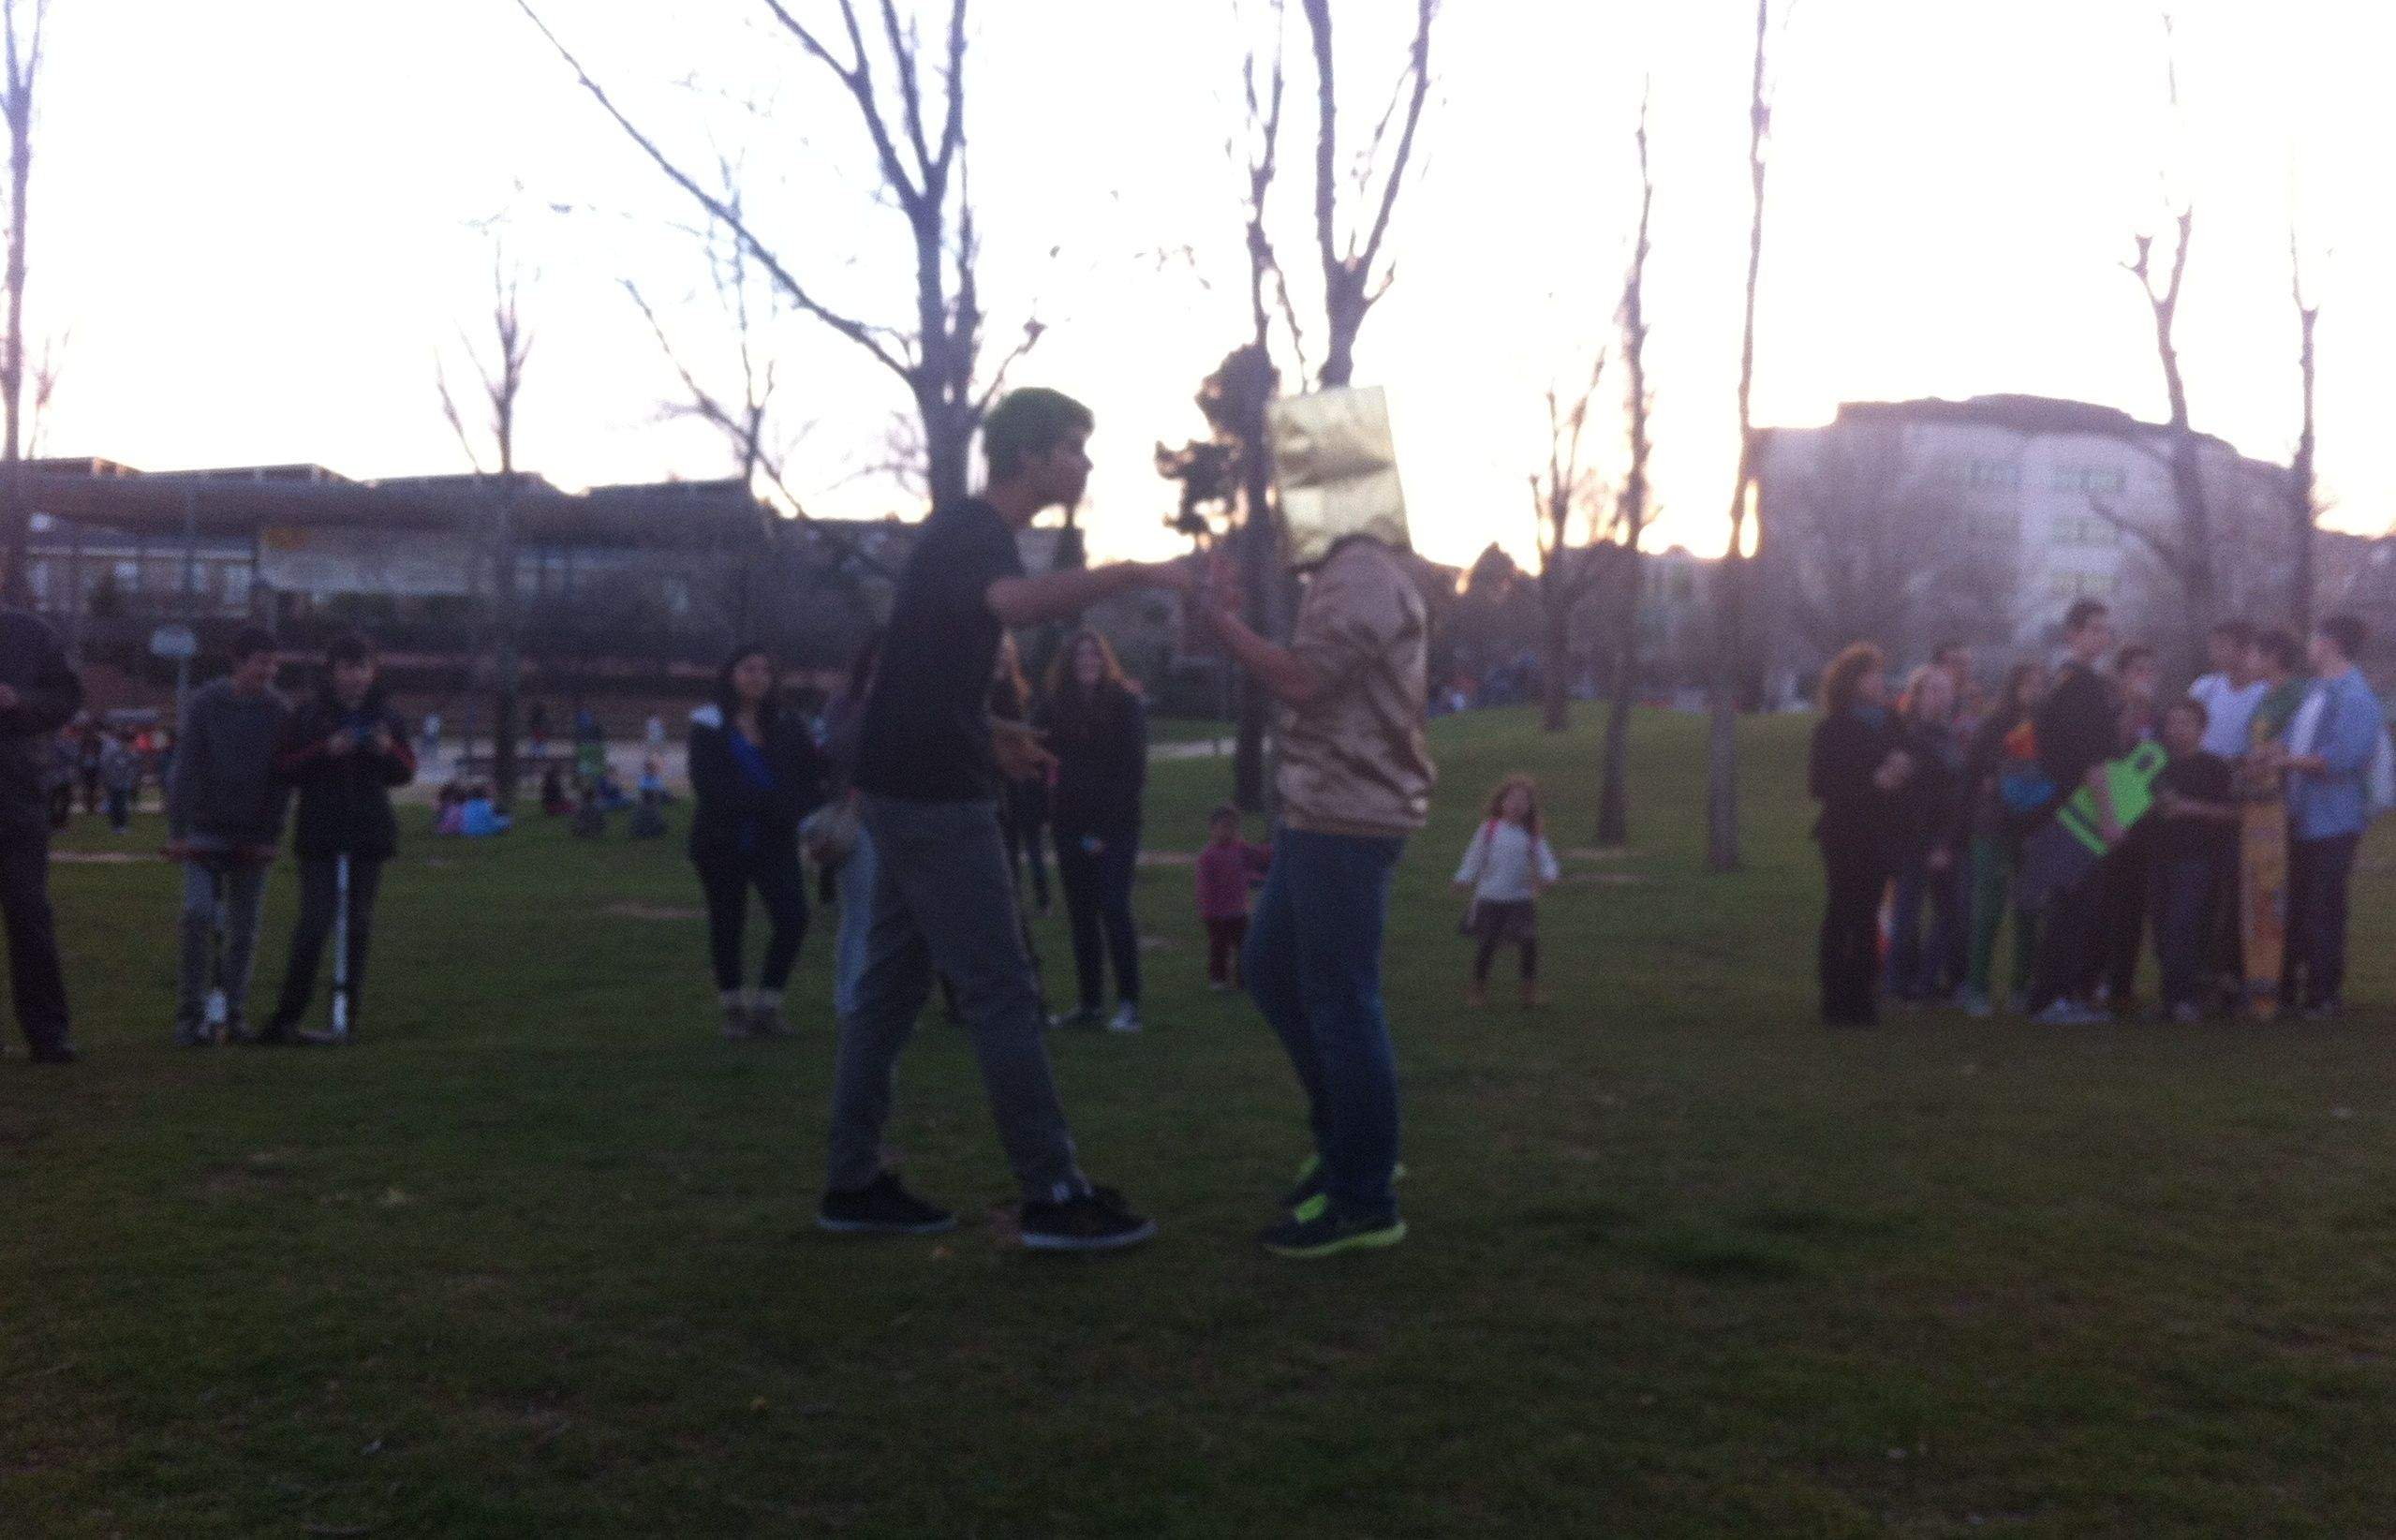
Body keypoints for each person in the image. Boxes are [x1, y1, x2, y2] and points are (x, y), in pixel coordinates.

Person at [821, 386, 1190, 1251]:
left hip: (912, 782)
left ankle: (851, 1183)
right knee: (1001, 989)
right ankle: (1054, 1194)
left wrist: (991, 734)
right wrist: (1138, 572)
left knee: (888, 995)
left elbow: (921, 676)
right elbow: (1015, 609)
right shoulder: (973, 533)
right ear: (1030, 456)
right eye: (1073, 446)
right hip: (935, 798)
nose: (1085, 463)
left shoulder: (961, 535)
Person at [1198, 487, 1435, 1260]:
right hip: (1318, 810)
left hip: (1350, 815)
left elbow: (1303, 679)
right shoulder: (1342, 572)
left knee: (1339, 998)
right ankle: (1349, 1147)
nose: (1283, 510)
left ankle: (1365, 1194)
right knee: (1270, 970)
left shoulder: (1364, 569)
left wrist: (1223, 628)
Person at [261, 634, 416, 1045]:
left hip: (368, 829)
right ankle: (288, 1016)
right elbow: (283, 767)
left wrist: (385, 751)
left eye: (363, 668)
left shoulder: (387, 716)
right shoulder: (308, 716)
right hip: (321, 829)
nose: (356, 677)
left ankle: (345, 1012)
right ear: (332, 672)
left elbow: (405, 770)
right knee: (314, 922)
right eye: (348, 668)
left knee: (359, 924)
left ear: (373, 672)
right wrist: (324, 751)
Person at [688, 646, 826, 1040]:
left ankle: (768, 1004)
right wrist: (772, 803)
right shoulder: (709, 724)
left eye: (766, 669)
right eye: (749, 668)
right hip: (721, 839)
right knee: (727, 921)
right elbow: (709, 784)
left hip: (773, 840)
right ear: (731, 674)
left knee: (793, 917)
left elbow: (807, 776)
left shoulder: (787, 723)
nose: (758, 676)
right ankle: (733, 1009)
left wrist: (798, 805)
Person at [166, 628, 291, 1047]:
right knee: (198, 915)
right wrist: (179, 831)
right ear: (238, 662)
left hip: (253, 832)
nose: (269, 671)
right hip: (205, 828)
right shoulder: (206, 704)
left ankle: (232, 1014)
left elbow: (280, 779)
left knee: (243, 927)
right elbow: (188, 767)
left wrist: (271, 833)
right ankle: (191, 1016)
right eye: (261, 661)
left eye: (275, 663)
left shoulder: (278, 711)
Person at [1038, 628, 1150, 1033]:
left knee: (1114, 907)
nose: (1088, 660)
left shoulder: (1124, 705)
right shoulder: (1055, 708)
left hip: (1116, 825)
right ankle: (1089, 1004)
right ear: (1070, 662)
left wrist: (1104, 829)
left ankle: (1129, 1004)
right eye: (1081, 654)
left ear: (1105, 661)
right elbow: (1035, 749)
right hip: (1072, 826)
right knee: (1082, 914)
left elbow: (1133, 771)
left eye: (1095, 654)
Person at [2278, 614, 2383, 1019]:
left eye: (2314, 638)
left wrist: (2285, 763)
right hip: (2303, 819)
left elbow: (2338, 761)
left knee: (2324, 907)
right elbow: (2294, 740)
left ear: (2333, 643)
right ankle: (2291, 988)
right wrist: (2272, 755)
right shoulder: (2316, 691)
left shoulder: (2355, 697)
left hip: (2335, 821)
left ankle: (2324, 993)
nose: (2309, 646)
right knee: (2301, 905)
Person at [2026, 600, 2125, 1026]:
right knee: (2075, 905)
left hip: (2058, 806)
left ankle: (2057, 995)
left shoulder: (2063, 681)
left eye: (2106, 631)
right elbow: (2092, 761)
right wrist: (2108, 816)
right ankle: (2055, 999)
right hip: (2077, 810)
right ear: (2073, 634)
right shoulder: (2081, 685)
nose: (2102, 639)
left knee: (2071, 903)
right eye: (2093, 630)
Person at [0, 602, 83, 1063]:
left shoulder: (30, 633)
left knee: (29, 913)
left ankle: (47, 1032)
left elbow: (68, 697)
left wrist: (20, 701)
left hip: (16, 792)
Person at [1809, 644, 1908, 1027]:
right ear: (1851, 680)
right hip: (1845, 832)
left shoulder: (1890, 721)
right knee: (1843, 911)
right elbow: (1821, 785)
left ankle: (1863, 995)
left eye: (1880, 673)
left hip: (1882, 831)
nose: (1878, 680)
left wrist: (1903, 766)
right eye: (1870, 673)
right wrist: (1873, 782)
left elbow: (1908, 754)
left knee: (1869, 914)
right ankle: (1835, 998)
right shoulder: (1833, 728)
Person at [1960, 660, 2047, 1016]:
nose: (2035, 689)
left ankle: (2021, 986)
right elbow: (1974, 769)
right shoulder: (1995, 724)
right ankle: (1977, 987)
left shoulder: (2049, 726)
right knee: (1988, 909)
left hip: (2033, 825)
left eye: (2041, 682)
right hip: (1994, 825)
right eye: (2028, 682)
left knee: (2030, 909)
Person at [2149, 698, 2238, 1024]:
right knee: (2161, 930)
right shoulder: (2155, 764)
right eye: (2172, 723)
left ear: (2201, 729)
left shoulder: (2214, 767)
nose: (2177, 730)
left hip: (2197, 860)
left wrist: (2191, 809)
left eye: (2186, 723)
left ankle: (2185, 998)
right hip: (2158, 858)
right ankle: (2170, 999)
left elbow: (2233, 813)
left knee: (2183, 929)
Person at [1886, 664, 1967, 1004]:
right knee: (1908, 913)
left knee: (1949, 912)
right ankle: (1899, 983)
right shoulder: (1911, 738)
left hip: (1946, 836)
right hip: (1918, 837)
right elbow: (1913, 798)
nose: (1939, 695)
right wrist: (1932, 844)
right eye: (1931, 689)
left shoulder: (1949, 735)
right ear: (1916, 696)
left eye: (1944, 688)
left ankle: (1922, 981)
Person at [1453, 773, 1561, 1009]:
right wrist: (1463, 878)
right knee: (1488, 944)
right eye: (1512, 798)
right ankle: (1478, 990)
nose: (1517, 804)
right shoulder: (1490, 829)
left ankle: (1528, 991)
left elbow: (1546, 859)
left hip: (1521, 899)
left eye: (1523, 800)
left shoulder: (1532, 835)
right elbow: (1474, 857)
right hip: (1490, 898)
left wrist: (1550, 876)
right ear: (1501, 802)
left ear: (1529, 807)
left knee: (1529, 941)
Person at [2096, 643, 2164, 1013]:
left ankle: (2122, 983)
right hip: (2111, 816)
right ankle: (2095, 979)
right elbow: (2111, 751)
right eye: (2137, 668)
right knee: (2106, 902)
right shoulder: (2112, 712)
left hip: (2145, 823)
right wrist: (2129, 710)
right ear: (2122, 674)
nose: (2144, 675)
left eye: (2149, 668)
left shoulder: (2158, 717)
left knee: (2134, 907)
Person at [989, 634, 1052, 918]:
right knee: (1000, 844)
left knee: (1023, 842)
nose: (1002, 656)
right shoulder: (982, 688)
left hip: (1018, 780)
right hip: (991, 778)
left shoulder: (1017, 689)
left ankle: (1033, 898)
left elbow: (1024, 730)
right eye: (997, 651)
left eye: (1006, 651)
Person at [1193, 804, 1269, 992]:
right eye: (1225, 826)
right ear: (1212, 828)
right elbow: (1204, 886)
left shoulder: (1241, 849)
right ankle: (1218, 980)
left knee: (1244, 947)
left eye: (1234, 827)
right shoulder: (1208, 856)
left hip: (1239, 910)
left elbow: (1254, 864)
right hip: (1216, 913)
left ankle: (1244, 980)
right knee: (1219, 948)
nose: (1230, 831)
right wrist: (1207, 909)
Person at [2189, 622, 2267, 759]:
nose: (2214, 653)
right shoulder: (2204, 687)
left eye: (2221, 647)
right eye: (2213, 647)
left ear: (2244, 650)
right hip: (2203, 770)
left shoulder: (2265, 693)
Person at [101, 732, 139, 834]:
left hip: (123, 780)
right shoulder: (113, 748)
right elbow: (107, 764)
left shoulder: (125, 749)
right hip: (115, 780)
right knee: (118, 803)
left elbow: (132, 762)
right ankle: (118, 825)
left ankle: (121, 824)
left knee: (121, 803)